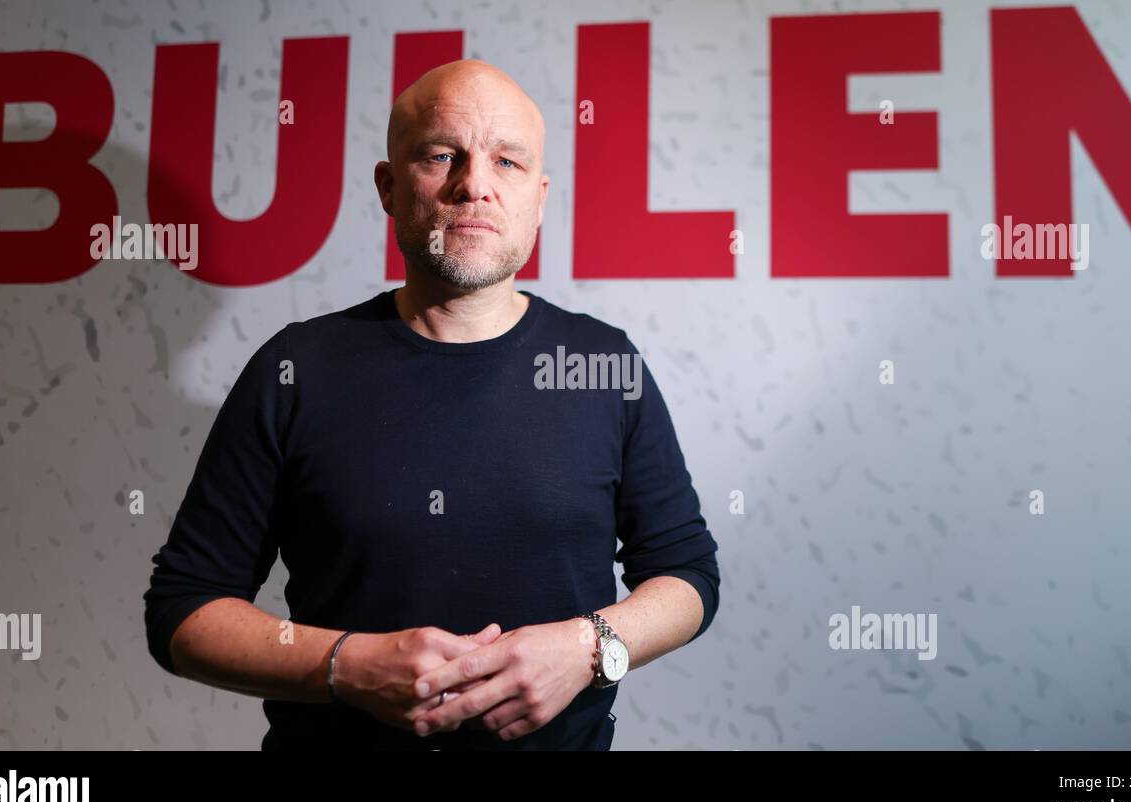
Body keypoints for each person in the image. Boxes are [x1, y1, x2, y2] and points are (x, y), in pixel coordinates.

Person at [143, 59, 720, 750]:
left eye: (506, 161)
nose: (474, 183)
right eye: (442, 154)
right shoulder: (295, 370)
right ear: (389, 186)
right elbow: (183, 610)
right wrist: (346, 666)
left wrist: (590, 647)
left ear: (539, 197)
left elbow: (686, 574)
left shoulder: (601, 365)